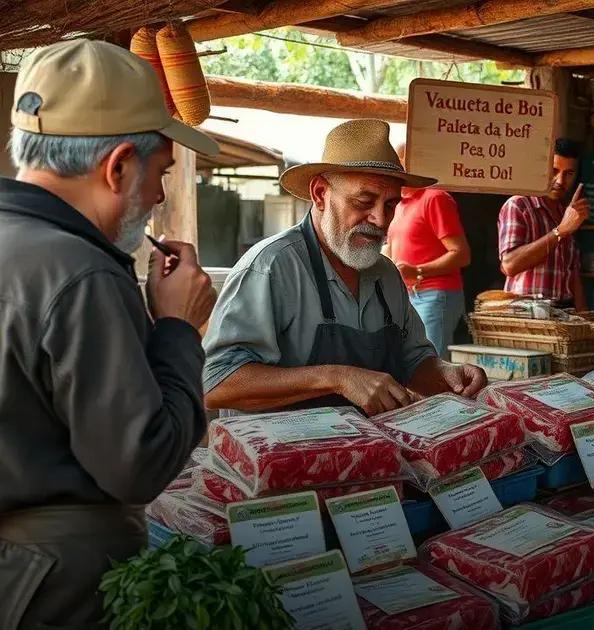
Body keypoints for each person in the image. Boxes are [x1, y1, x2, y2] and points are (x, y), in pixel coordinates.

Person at [0, 39, 219, 628]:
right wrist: (177, 327)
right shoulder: (80, 273)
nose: (159, 196)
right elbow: (140, 465)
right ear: (119, 166)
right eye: (161, 173)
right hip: (51, 592)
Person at [203, 119, 486, 416]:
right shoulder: (271, 267)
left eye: (390, 205)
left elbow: (413, 362)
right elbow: (216, 383)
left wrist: (446, 373)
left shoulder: (386, 275)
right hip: (278, 444)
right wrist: (337, 378)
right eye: (364, 201)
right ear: (320, 194)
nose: (380, 219)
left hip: (364, 443)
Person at [385, 141, 470, 359]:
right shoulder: (399, 205)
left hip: (435, 294)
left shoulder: (435, 198)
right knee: (409, 361)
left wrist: (417, 271)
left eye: (396, 161)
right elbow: (391, 251)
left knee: (430, 361)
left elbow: (461, 254)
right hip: (406, 296)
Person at [497, 138, 588, 310]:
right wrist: (559, 231)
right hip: (527, 315)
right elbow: (509, 265)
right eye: (554, 171)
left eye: (568, 173)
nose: (560, 181)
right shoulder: (519, 205)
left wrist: (584, 319)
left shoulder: (567, 213)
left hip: (564, 314)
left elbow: (574, 276)